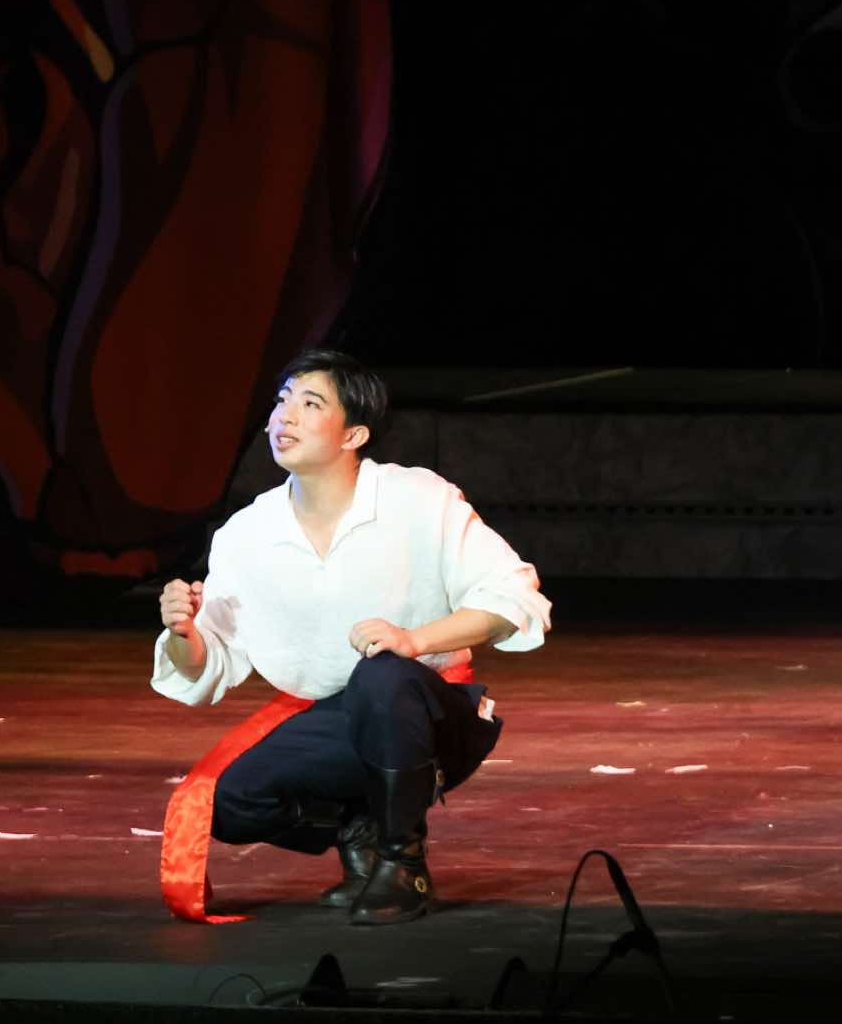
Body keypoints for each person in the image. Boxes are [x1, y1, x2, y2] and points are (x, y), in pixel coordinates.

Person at [151, 349, 550, 924]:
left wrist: (414, 641)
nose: (285, 416)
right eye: (282, 400)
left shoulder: (418, 499)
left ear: (353, 434)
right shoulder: (247, 533)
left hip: (429, 716)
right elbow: (206, 663)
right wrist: (181, 631)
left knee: (382, 676)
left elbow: (514, 599)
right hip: (332, 722)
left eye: (310, 403)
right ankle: (362, 827)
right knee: (227, 804)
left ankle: (402, 862)